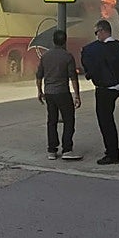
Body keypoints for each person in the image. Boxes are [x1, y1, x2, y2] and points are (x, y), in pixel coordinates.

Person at [81, 18, 119, 165]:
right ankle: (112, 151)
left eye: (96, 32)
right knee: (109, 120)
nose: (96, 36)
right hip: (116, 88)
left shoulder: (100, 49)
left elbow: (91, 69)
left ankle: (112, 154)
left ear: (102, 31)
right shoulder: (117, 46)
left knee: (105, 122)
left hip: (104, 90)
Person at [36, 29, 82, 161]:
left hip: (49, 93)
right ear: (65, 41)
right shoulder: (68, 57)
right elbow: (73, 78)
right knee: (69, 120)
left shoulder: (45, 56)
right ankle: (67, 149)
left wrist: (40, 91)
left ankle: (52, 150)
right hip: (63, 93)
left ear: (53, 41)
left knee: (52, 121)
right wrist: (77, 96)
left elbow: (39, 75)